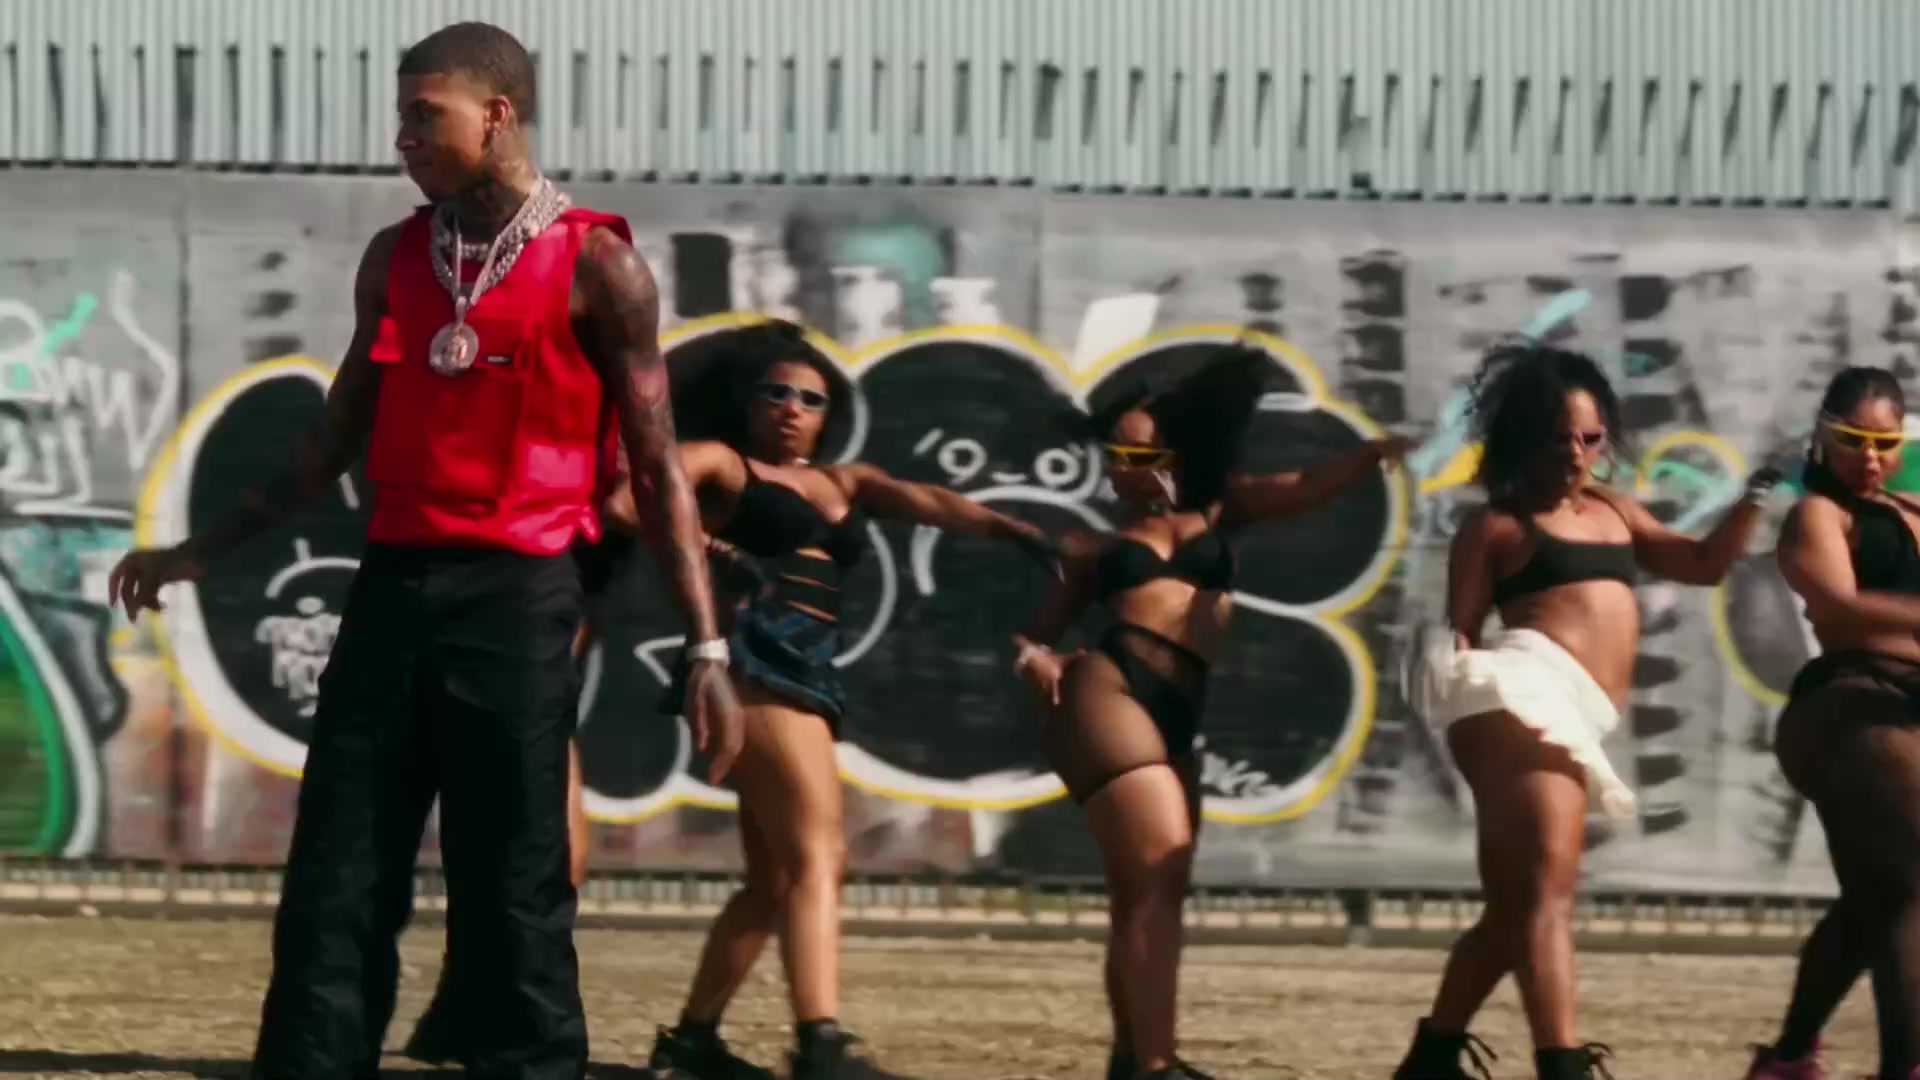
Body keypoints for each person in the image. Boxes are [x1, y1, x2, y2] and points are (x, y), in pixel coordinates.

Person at [107, 22, 744, 1080]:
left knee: (513, 877)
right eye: (400, 113)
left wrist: (707, 650)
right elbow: (330, 441)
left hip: (521, 596)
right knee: (337, 869)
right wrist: (197, 550)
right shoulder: (398, 258)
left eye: (422, 114)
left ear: (495, 115)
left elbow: (659, 467)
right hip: (394, 588)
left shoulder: (601, 266)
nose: (401, 136)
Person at [640, 319, 1056, 1080]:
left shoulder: (845, 482)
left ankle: (692, 1042)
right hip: (754, 665)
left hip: (810, 671)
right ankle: (819, 1040)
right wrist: (716, 550)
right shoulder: (723, 463)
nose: (792, 408)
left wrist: (1013, 528)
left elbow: (928, 500)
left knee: (774, 879)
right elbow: (630, 500)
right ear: (748, 401)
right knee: (820, 855)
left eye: (811, 399)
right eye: (776, 393)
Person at [1008, 343, 1411, 1080]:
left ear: (1175, 452)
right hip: (1110, 692)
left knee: (1146, 894)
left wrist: (1373, 453)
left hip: (1178, 710)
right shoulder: (1099, 545)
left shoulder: (1224, 507)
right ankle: (1158, 1064)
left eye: (1137, 450)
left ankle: (1132, 1059)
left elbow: (1306, 486)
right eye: (1113, 452)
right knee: (1158, 877)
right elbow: (1031, 633)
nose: (1121, 464)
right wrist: (1035, 659)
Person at [1394, 343, 1779, 1080]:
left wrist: (1755, 495)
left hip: (1576, 711)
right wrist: (1471, 743)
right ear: (1523, 439)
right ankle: (1562, 1065)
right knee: (1547, 894)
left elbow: (1702, 565)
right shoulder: (1496, 527)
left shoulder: (1613, 510)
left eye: (1590, 437)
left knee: (1515, 908)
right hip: (1518, 695)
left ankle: (1432, 1059)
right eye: (1558, 437)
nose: (1576, 453)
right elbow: (1461, 641)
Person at [403, 523, 634, 1064]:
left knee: (529, 785)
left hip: (538, 546)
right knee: (530, 778)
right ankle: (480, 994)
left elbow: (626, 502)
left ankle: (485, 998)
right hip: (548, 549)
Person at [1747, 366, 1920, 1080]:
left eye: (1885, 442)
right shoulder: (1818, 513)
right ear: (1823, 434)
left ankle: (1787, 1061)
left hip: (1901, 710)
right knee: (1911, 887)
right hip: (1851, 705)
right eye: (1853, 439)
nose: (1870, 457)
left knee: (1874, 899)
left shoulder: (1910, 507)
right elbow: (1840, 610)